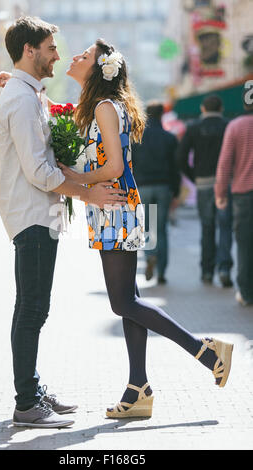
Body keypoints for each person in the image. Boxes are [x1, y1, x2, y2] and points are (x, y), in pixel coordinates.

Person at [56, 39, 234, 418]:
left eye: (84, 55)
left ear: (101, 68)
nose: (74, 57)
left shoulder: (105, 107)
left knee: (123, 302)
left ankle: (206, 351)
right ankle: (139, 388)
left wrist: (74, 176)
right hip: (115, 207)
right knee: (129, 300)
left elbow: (115, 167)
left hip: (116, 206)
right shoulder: (103, 106)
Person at [0, 17, 127, 429]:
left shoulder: (25, 93)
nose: (57, 55)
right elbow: (38, 171)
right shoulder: (20, 98)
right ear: (30, 50)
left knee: (33, 308)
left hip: (39, 213)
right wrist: (87, 193)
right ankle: (27, 403)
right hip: (31, 214)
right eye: (50, 47)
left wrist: (11, 79)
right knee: (32, 309)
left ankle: (30, 389)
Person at [177, 95, 233, 287]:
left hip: (203, 184)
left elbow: (181, 157)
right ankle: (224, 267)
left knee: (207, 228)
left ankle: (207, 271)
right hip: (226, 184)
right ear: (221, 108)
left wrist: (194, 177)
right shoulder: (228, 126)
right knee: (225, 227)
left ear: (202, 109)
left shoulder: (193, 128)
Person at [131, 102, 180, 283]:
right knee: (162, 229)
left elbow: (131, 164)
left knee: (147, 227)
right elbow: (176, 168)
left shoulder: (136, 138)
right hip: (163, 186)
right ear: (162, 115)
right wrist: (175, 191)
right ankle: (161, 273)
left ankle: (150, 255)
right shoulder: (169, 138)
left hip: (143, 186)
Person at [215, 94, 253, 306]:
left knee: (245, 244)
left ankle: (247, 293)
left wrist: (220, 193)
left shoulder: (236, 126)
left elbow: (225, 163)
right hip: (243, 194)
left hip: (244, 195)